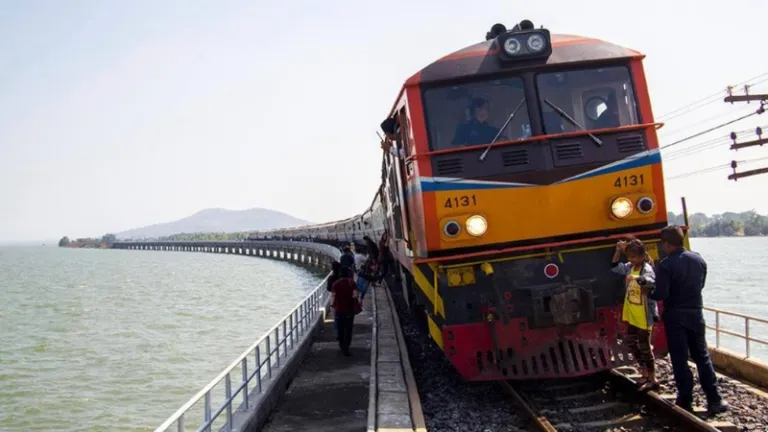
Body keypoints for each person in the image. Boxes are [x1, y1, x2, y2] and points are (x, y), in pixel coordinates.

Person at [648, 225, 729, 415]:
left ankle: (685, 399)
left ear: (667, 244)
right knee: (702, 356)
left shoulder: (667, 265)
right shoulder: (698, 259)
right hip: (695, 312)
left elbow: (661, 293)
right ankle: (715, 399)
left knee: (679, 358)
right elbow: (701, 285)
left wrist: (648, 289)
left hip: (675, 315)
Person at [611, 238, 659, 391]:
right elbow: (614, 267)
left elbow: (651, 282)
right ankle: (644, 371)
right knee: (631, 342)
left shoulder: (646, 269)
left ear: (642, 256)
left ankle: (652, 378)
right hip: (632, 314)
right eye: (629, 257)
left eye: (634, 257)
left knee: (645, 346)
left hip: (644, 315)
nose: (632, 260)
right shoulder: (629, 267)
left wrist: (637, 278)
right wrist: (618, 250)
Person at [331, 266, 359, 356]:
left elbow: (333, 297)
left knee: (340, 328)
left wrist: (332, 305)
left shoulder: (336, 284)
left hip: (339, 310)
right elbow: (355, 295)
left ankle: (341, 343)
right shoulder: (352, 283)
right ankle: (346, 348)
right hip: (349, 310)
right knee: (348, 329)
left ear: (340, 274)